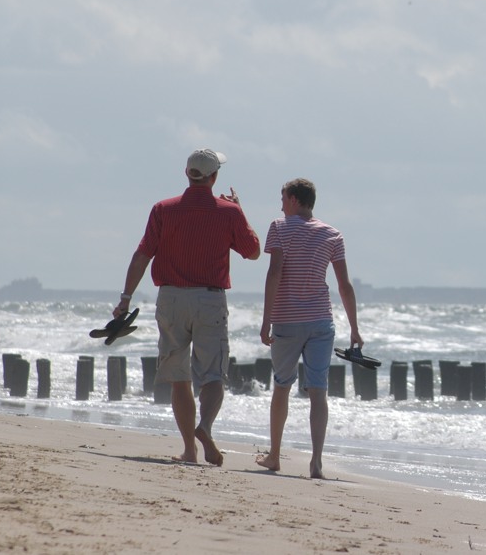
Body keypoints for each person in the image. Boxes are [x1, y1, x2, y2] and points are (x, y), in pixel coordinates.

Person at [114, 149, 260, 466]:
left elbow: (142, 255)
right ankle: (204, 427)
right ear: (214, 177)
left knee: (179, 377)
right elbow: (252, 252)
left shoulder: (163, 209)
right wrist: (239, 209)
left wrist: (126, 298)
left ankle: (189, 451)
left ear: (187, 174)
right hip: (210, 298)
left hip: (171, 298)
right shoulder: (228, 212)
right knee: (213, 375)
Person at [256, 177, 363, 479]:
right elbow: (344, 286)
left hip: (287, 321)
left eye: (283, 199)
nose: (280, 206)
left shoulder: (279, 227)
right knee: (319, 391)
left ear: (293, 199)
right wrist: (354, 328)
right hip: (320, 322)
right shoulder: (332, 234)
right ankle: (316, 462)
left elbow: (274, 273)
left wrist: (266, 320)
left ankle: (274, 456)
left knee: (282, 386)